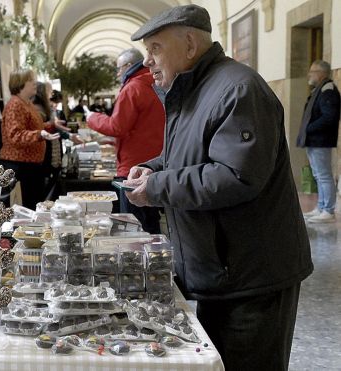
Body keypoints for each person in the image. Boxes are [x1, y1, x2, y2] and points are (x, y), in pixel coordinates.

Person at [124, 5, 313, 371]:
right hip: (220, 270)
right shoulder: (195, 89)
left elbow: (236, 176)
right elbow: (188, 156)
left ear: (190, 44)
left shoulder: (238, 89)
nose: (147, 61)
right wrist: (152, 167)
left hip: (252, 276)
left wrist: (157, 186)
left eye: (155, 48)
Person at [85, 48, 165, 233]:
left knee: (133, 226)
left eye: (119, 68)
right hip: (155, 162)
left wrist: (92, 118)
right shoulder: (157, 84)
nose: (118, 73)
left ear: (129, 66)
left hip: (133, 167)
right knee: (151, 223)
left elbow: (117, 127)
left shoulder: (133, 87)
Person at [0, 69, 59, 208]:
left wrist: (49, 126)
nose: (35, 83)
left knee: (32, 207)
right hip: (19, 167)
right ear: (20, 84)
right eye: (31, 81)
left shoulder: (26, 103)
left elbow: (31, 127)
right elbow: (15, 135)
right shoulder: (15, 104)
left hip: (29, 167)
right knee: (24, 210)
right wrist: (39, 134)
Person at [296, 60, 341, 223]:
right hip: (314, 140)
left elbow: (329, 117)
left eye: (312, 71)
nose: (309, 74)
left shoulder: (328, 90)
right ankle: (321, 207)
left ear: (321, 73)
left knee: (323, 175)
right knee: (318, 174)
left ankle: (328, 210)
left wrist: (309, 128)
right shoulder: (319, 90)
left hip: (321, 140)